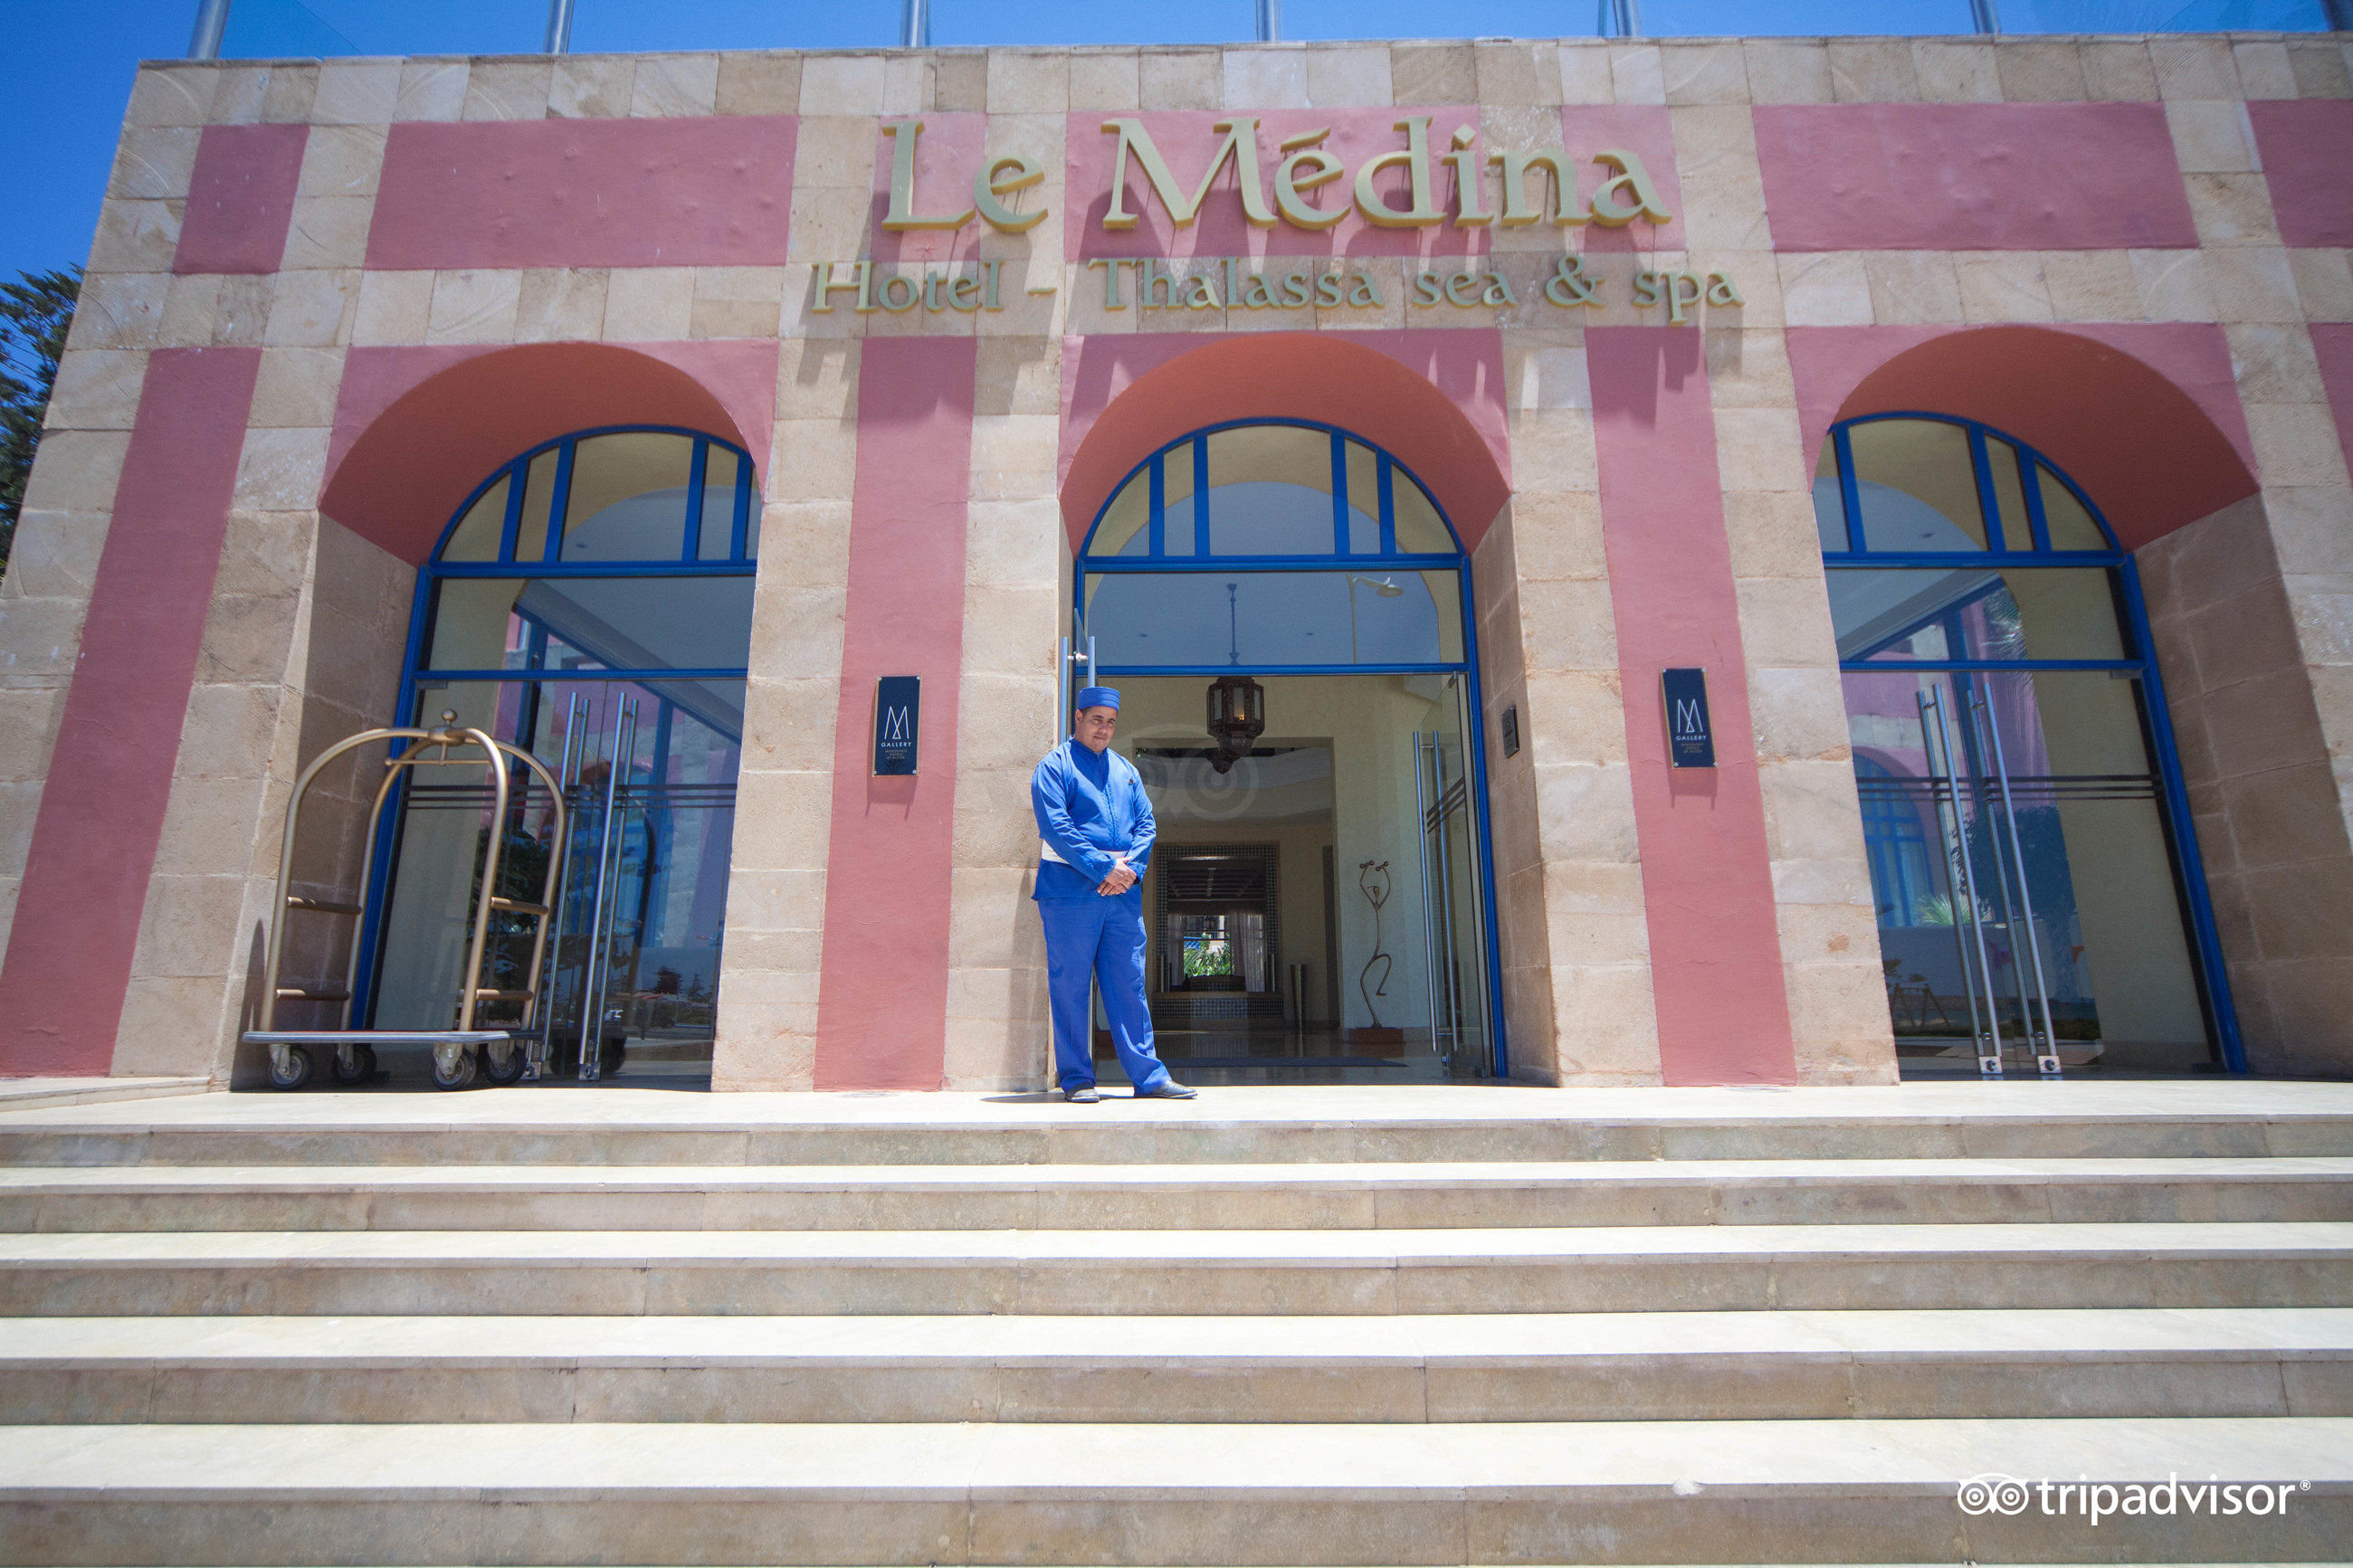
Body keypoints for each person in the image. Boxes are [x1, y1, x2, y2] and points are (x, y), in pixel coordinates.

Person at [1031, 687, 1196, 1104]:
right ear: (1078, 717)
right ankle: (1077, 1080)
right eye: (1096, 719)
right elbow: (1056, 828)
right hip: (1069, 895)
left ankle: (1149, 1076)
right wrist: (1106, 868)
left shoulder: (1126, 771)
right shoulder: (1054, 767)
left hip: (1121, 898)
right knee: (1070, 986)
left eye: (1110, 722)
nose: (1103, 728)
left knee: (1130, 984)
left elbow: (1147, 824)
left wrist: (1131, 870)